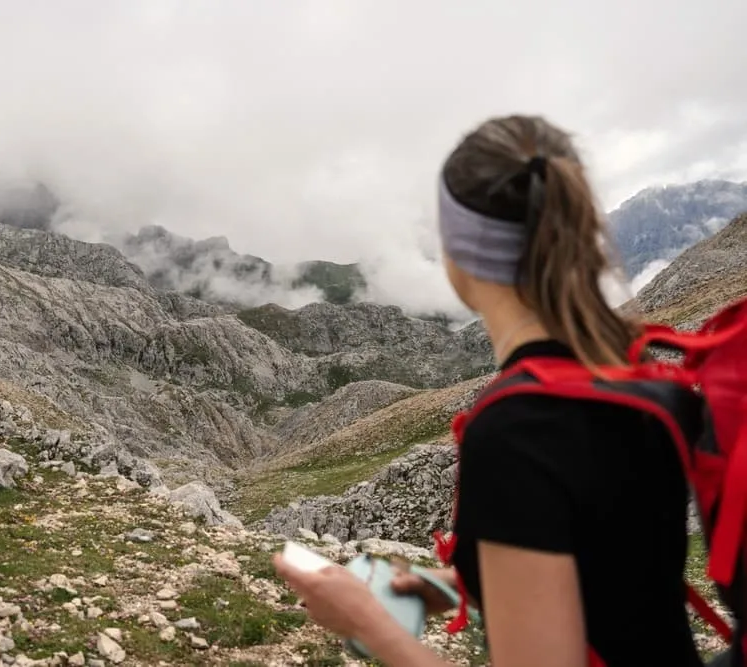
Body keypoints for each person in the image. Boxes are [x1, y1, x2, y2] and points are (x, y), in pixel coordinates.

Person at [272, 114, 706, 667]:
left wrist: (367, 624)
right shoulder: (640, 375)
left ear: (458, 253)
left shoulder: (519, 429)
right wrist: (462, 583)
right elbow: (613, 573)